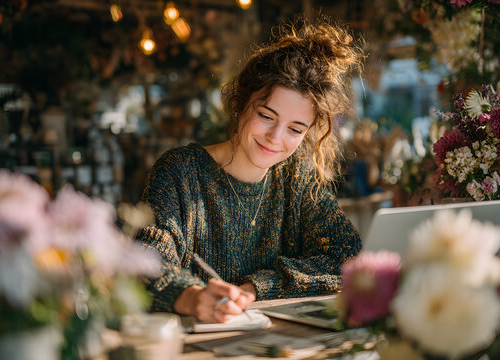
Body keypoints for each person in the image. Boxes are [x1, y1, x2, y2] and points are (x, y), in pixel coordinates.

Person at [137, 19, 364, 324]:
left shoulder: (296, 176)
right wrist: (192, 297)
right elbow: (145, 264)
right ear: (240, 103)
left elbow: (347, 256)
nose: (275, 138)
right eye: (266, 116)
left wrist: (257, 287)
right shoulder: (181, 172)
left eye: (295, 130)